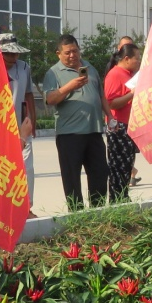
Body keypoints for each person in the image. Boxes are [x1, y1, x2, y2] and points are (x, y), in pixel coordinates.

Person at [43, 33, 109, 209]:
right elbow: (50, 99)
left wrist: (110, 115)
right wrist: (69, 87)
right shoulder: (53, 72)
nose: (72, 55)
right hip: (69, 134)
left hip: (94, 131)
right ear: (58, 54)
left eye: (75, 51)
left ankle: (98, 210)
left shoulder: (89, 67)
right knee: (71, 177)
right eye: (67, 52)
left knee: (100, 172)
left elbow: (101, 95)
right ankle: (76, 213)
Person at [0, 32, 38, 217]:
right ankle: (3, 210)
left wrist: (33, 119)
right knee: (3, 171)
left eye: (16, 53)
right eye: (8, 53)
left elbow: (28, 93)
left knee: (26, 169)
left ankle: (26, 208)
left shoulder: (24, 67)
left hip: (21, 127)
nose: (13, 57)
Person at [104, 42, 141, 200]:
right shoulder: (115, 74)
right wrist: (132, 94)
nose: (138, 61)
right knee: (118, 168)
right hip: (118, 127)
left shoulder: (128, 74)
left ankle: (123, 196)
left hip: (129, 126)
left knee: (126, 167)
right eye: (137, 58)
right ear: (126, 58)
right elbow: (110, 103)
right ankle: (117, 199)